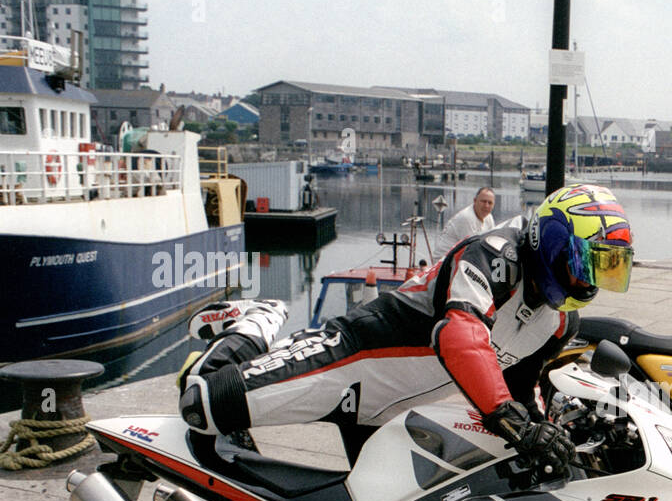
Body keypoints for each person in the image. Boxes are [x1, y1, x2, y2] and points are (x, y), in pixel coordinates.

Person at [178, 184, 634, 472]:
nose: (591, 281)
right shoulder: (495, 254)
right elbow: (462, 336)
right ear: (553, 244)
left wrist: (547, 434)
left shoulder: (559, 319)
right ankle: (258, 321)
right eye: (587, 264)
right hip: (353, 358)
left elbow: (521, 384)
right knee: (201, 403)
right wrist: (509, 420)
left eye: (605, 270)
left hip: (396, 412)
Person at [435, 186, 496, 256]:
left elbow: (491, 242)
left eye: (490, 203)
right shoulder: (467, 218)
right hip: (444, 259)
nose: (486, 206)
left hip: (462, 255)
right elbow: (472, 250)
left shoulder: (489, 217)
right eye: (483, 201)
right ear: (475, 201)